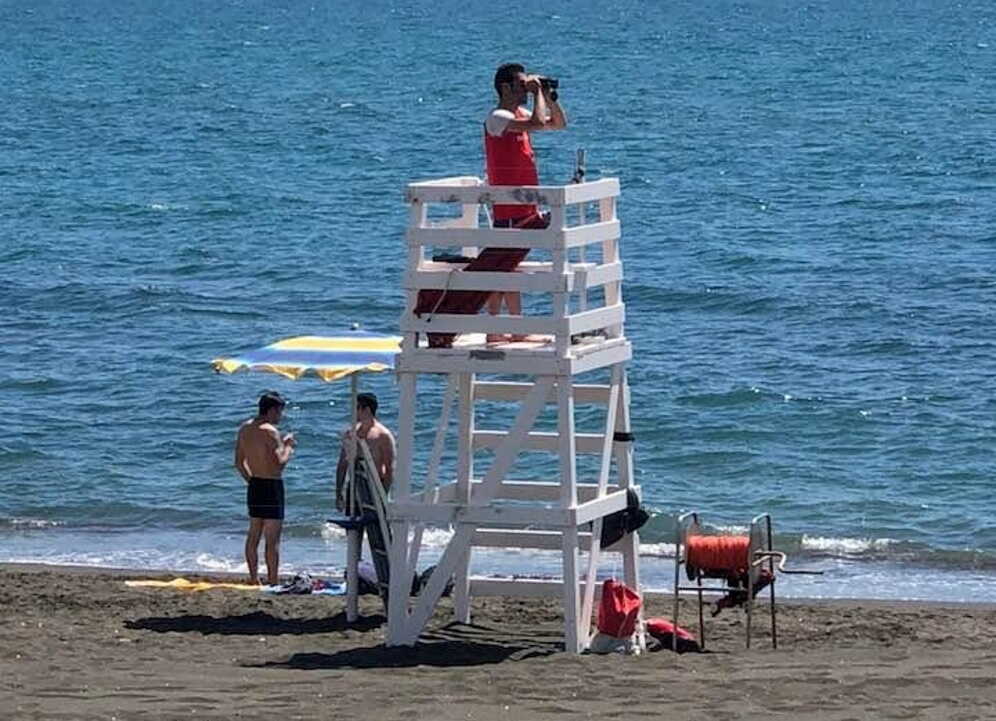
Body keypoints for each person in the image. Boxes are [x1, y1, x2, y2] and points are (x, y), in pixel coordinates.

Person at [414, 62, 567, 348]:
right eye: (521, 84)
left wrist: (548, 95)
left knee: (506, 266)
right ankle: (496, 328)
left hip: (525, 207)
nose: (525, 89)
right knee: (499, 267)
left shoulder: (519, 113)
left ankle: (510, 328)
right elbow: (536, 122)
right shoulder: (496, 117)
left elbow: (558, 124)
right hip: (509, 209)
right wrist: (537, 96)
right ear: (506, 87)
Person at [234, 391, 296, 585]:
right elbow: (279, 463)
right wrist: (288, 447)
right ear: (271, 410)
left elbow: (238, 462)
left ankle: (253, 578)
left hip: (255, 484)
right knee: (272, 538)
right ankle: (273, 579)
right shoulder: (270, 431)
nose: (280, 416)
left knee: (254, 534)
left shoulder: (245, 428)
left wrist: (250, 480)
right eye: (279, 412)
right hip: (272, 485)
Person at [335, 392, 396, 512]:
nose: (353, 412)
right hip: (354, 487)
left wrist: (383, 496)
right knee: (353, 527)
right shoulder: (351, 434)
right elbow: (342, 465)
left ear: (367, 409)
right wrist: (338, 492)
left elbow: (389, 469)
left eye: (356, 408)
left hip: (374, 488)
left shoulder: (383, 435)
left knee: (374, 527)